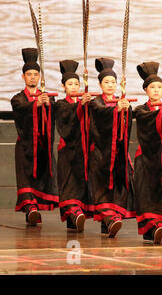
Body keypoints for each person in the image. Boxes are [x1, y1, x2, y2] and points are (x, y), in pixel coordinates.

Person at [133, 61, 162, 244]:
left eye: (159, 87)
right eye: (152, 87)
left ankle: (160, 224)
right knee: (146, 193)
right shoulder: (142, 110)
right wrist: (160, 115)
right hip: (145, 158)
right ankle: (150, 226)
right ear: (146, 90)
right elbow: (145, 122)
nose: (156, 90)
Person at [10, 48, 58, 226]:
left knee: (40, 178)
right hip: (25, 146)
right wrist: (36, 105)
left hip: (42, 146)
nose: (32, 77)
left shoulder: (47, 98)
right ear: (23, 77)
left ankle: (35, 207)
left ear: (39, 77)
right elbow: (21, 110)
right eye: (29, 74)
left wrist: (46, 106)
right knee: (25, 178)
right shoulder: (18, 99)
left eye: (35, 74)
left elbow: (52, 116)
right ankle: (30, 207)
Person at [88, 57, 135, 237]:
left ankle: (109, 221)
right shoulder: (96, 102)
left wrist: (125, 109)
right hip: (101, 153)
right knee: (101, 187)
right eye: (106, 82)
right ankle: (109, 219)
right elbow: (101, 113)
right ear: (100, 84)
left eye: (113, 82)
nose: (110, 85)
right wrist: (116, 110)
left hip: (118, 153)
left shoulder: (120, 101)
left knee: (117, 187)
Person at [55, 60, 93, 232]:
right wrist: (80, 105)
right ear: (63, 87)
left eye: (77, 84)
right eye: (70, 84)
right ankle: (74, 213)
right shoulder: (61, 104)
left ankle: (76, 216)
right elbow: (66, 121)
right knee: (68, 182)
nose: (74, 87)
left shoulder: (87, 103)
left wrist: (87, 106)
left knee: (80, 184)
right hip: (67, 151)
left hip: (83, 151)